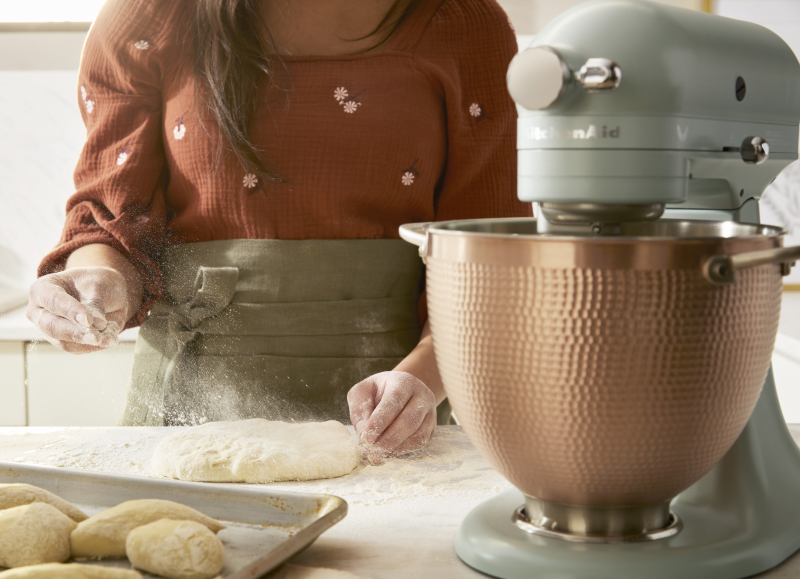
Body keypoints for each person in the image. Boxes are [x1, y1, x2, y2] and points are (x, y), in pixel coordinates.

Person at [26, 0, 530, 462]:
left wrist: (419, 379)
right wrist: (100, 280)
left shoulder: (463, 23)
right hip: (182, 411)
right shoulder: (149, 17)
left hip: (391, 411)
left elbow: (487, 260)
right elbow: (112, 217)